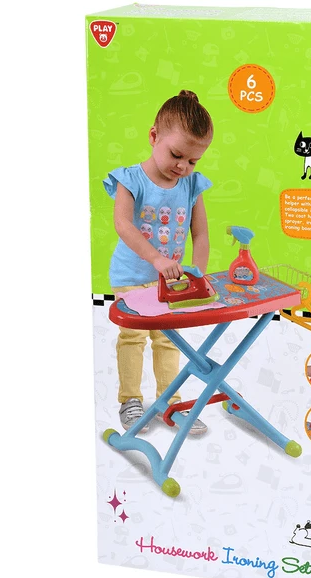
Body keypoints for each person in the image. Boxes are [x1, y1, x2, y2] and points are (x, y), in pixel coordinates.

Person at [103, 90, 214, 435]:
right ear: (154, 136)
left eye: (193, 161)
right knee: (133, 337)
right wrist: (155, 257)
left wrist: (198, 273)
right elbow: (123, 224)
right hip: (132, 275)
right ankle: (130, 400)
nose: (183, 167)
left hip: (172, 282)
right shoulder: (130, 179)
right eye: (176, 155)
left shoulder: (191, 185)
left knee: (169, 340)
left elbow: (201, 235)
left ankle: (171, 402)